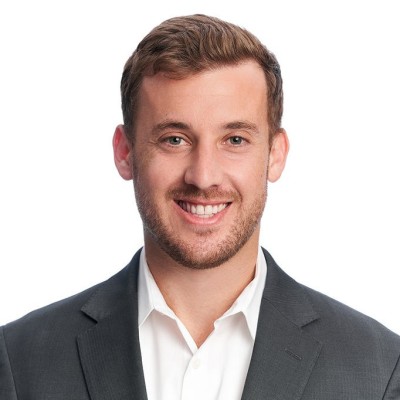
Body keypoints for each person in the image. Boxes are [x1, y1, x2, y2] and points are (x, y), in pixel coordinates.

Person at [0, 14, 399, 400]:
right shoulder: (19, 361)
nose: (204, 176)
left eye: (235, 140)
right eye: (174, 139)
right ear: (125, 152)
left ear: (275, 155)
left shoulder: (379, 370)